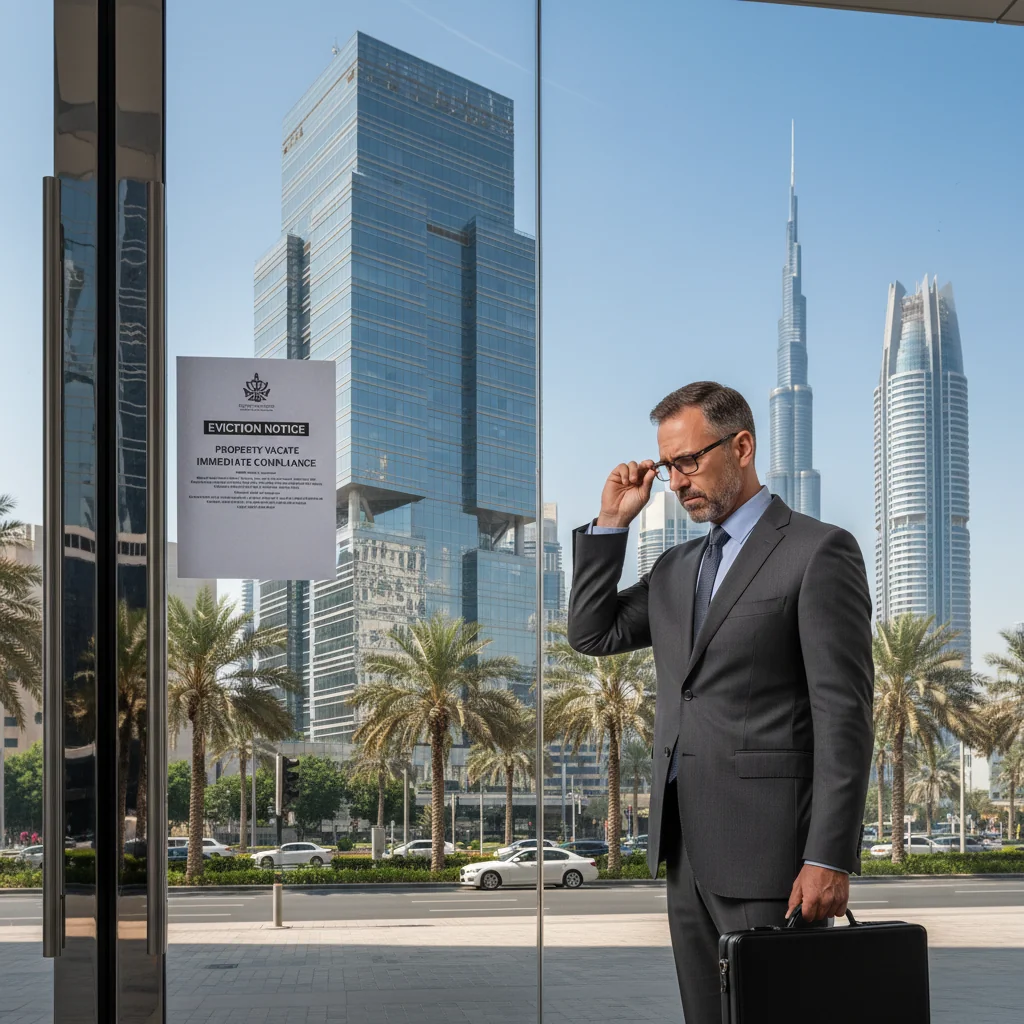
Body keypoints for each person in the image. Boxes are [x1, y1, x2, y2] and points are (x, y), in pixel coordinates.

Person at [567, 381, 874, 1023]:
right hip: (687, 854)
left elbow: (844, 717)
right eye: (667, 465)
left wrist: (827, 856)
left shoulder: (818, 551)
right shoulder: (676, 569)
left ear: (742, 446)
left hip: (775, 858)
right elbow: (593, 633)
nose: (676, 483)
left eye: (689, 462)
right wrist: (611, 524)